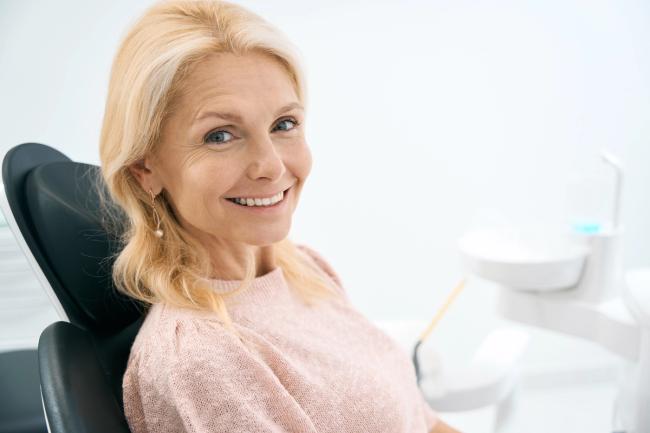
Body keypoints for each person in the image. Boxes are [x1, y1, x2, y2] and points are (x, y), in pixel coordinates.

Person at [98, 0, 461, 432]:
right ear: (145, 168)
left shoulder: (304, 270)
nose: (270, 165)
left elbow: (422, 421)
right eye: (220, 135)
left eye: (284, 124)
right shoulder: (203, 357)